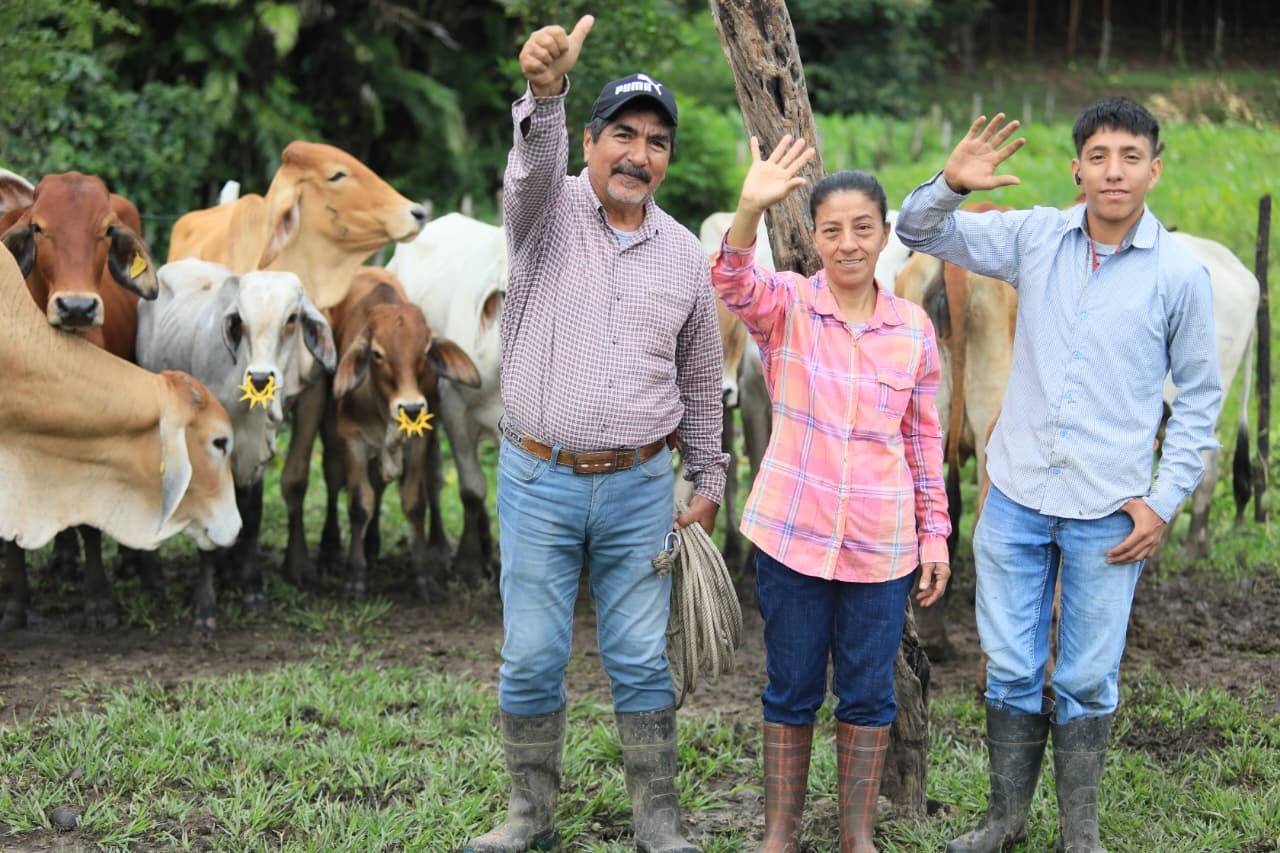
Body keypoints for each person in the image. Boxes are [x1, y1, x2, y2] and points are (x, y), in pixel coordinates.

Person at [896, 99, 1222, 853]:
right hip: (1014, 496)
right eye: (1099, 155)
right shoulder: (1035, 236)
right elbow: (916, 230)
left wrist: (1165, 501)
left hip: (1111, 508)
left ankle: (1081, 835)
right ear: (1077, 168)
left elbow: (1200, 401)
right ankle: (1004, 822)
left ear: (1154, 169)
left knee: (1085, 676)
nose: (1114, 170)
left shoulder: (1179, 273)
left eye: (1131, 156)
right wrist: (949, 183)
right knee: (1009, 667)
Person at [464, 15, 727, 853]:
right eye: (622, 135)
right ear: (590, 141)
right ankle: (527, 817)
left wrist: (710, 478)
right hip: (540, 477)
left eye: (655, 141)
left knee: (642, 658)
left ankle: (659, 824)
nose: (637, 155)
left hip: (641, 486)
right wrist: (545, 92)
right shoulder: (542, 214)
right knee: (534, 654)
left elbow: (699, 378)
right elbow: (530, 167)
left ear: (667, 158)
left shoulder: (685, 254)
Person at [711, 135, 951, 853]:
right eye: (832, 229)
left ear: (884, 235)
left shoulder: (911, 329)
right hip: (794, 535)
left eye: (862, 228)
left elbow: (921, 441)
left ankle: (857, 835)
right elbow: (731, 281)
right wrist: (750, 209)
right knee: (789, 687)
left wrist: (933, 532)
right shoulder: (787, 306)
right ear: (812, 237)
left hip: (881, 545)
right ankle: (780, 832)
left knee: (870, 693)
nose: (847, 244)